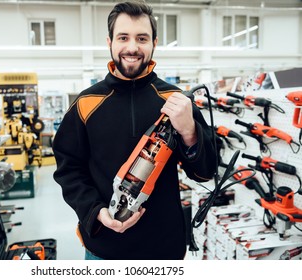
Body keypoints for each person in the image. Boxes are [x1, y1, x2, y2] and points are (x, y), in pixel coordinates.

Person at [53, 0, 217, 260]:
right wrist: (95, 211)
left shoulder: (176, 101)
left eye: (142, 38)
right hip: (103, 248)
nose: (132, 47)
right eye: (123, 37)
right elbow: (69, 170)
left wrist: (189, 132)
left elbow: (205, 173)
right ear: (110, 42)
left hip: (163, 249)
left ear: (154, 42)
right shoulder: (85, 103)